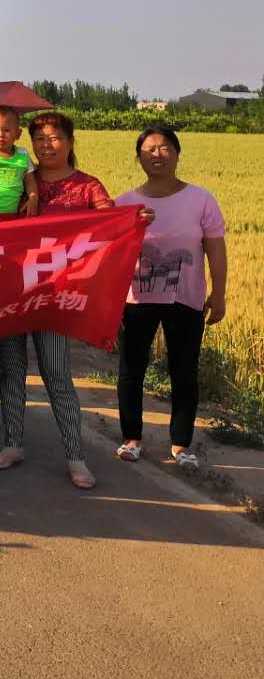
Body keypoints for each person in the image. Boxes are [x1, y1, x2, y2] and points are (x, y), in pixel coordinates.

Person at [0, 111, 109, 489]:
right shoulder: (18, 178)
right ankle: (12, 444)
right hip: (13, 290)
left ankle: (76, 456)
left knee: (57, 374)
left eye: (54, 138)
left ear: (70, 142)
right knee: (11, 370)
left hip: (56, 296)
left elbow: (112, 222)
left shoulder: (87, 187)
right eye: (39, 139)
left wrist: (137, 218)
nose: (46, 145)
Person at [115, 126, 227, 471]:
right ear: (138, 157)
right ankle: (131, 439)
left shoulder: (201, 199)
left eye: (164, 148)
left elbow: (215, 249)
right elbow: (110, 255)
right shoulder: (125, 204)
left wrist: (219, 294)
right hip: (136, 299)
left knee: (184, 371)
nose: (157, 155)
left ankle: (181, 444)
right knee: (131, 369)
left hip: (186, 298)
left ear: (178, 153)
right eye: (149, 149)